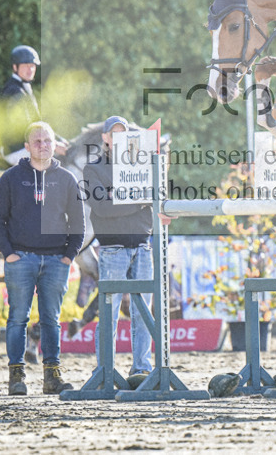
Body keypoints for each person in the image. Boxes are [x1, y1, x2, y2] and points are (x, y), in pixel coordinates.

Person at [0, 121, 85, 396]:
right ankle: (16, 376)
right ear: (27, 146)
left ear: (55, 145)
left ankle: (52, 376)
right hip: (21, 259)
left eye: (47, 141)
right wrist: (9, 254)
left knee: (51, 320)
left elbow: (78, 222)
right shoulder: (11, 177)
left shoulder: (66, 178)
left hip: (56, 261)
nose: (43, 145)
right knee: (17, 318)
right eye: (37, 141)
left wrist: (68, 256)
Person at [82, 116, 154, 376]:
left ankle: (142, 368)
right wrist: (138, 200)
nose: (118, 138)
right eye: (114, 134)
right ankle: (104, 369)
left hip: (143, 246)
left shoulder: (143, 166)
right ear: (105, 138)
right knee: (109, 312)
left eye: (124, 133)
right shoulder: (93, 169)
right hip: (112, 248)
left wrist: (119, 197)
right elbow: (102, 207)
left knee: (143, 313)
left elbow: (155, 199)